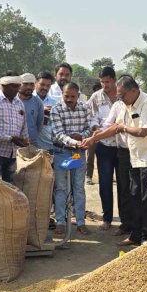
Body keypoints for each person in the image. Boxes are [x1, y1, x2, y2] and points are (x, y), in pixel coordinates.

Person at [106, 74, 147, 246]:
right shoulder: (127, 103)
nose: (120, 99)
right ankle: (135, 235)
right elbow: (116, 127)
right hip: (135, 156)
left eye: (122, 95)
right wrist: (94, 138)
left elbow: (142, 132)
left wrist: (123, 127)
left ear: (134, 90)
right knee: (134, 195)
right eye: (119, 96)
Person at [50, 81, 95, 235]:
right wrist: (76, 142)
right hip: (62, 152)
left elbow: (90, 127)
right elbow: (58, 133)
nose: (69, 99)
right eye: (66, 96)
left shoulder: (84, 108)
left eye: (72, 96)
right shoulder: (56, 109)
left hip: (77, 154)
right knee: (61, 187)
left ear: (78, 95)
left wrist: (82, 136)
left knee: (78, 188)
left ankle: (81, 221)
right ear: (62, 94)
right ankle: (60, 221)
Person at [86, 66, 118, 230]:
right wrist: (94, 128)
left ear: (114, 79)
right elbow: (91, 118)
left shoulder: (122, 95)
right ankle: (107, 218)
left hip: (123, 147)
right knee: (105, 183)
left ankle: (127, 220)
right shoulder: (95, 98)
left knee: (125, 185)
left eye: (108, 81)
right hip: (104, 146)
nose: (105, 85)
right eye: (102, 82)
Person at [0, 75, 29, 182]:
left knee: (10, 188)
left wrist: (26, 142)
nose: (17, 89)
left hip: (14, 154)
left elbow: (24, 125)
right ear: (3, 86)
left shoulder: (19, 103)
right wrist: (10, 138)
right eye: (13, 86)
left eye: (18, 86)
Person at [18, 73, 43, 147]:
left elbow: (39, 125)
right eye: (25, 84)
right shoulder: (13, 100)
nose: (29, 87)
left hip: (32, 143)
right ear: (19, 84)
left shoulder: (38, 102)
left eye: (31, 84)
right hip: (14, 144)